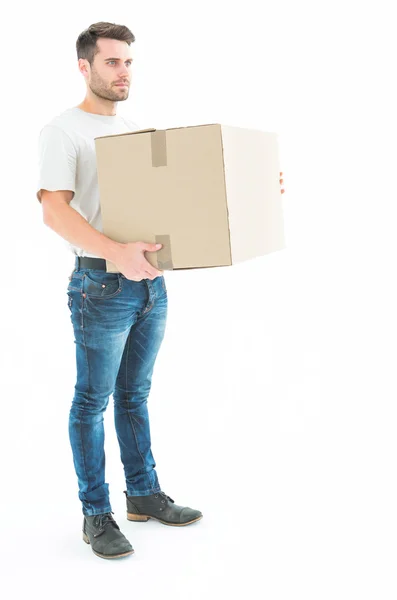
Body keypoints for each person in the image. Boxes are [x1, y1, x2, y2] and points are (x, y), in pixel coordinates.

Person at [36, 21, 204, 561]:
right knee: (92, 400)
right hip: (100, 285)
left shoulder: (135, 129)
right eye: (111, 62)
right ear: (84, 67)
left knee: (135, 396)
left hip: (151, 283)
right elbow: (53, 209)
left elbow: (170, 196)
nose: (122, 70)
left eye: (128, 61)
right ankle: (95, 514)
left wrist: (249, 187)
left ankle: (144, 495)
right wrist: (115, 254)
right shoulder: (63, 131)